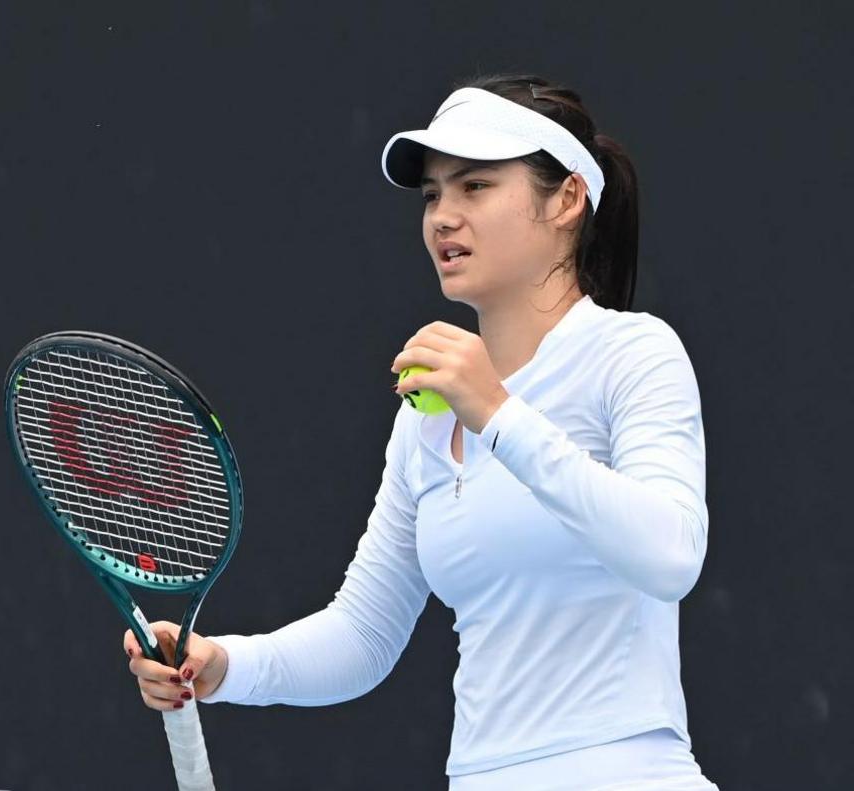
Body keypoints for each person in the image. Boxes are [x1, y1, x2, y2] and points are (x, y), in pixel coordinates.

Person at [124, 75, 718, 789]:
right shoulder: (427, 418)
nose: (442, 216)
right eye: (434, 193)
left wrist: (497, 413)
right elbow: (364, 634)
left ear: (565, 200)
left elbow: (671, 553)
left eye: (474, 187)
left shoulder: (633, 353)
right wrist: (222, 665)